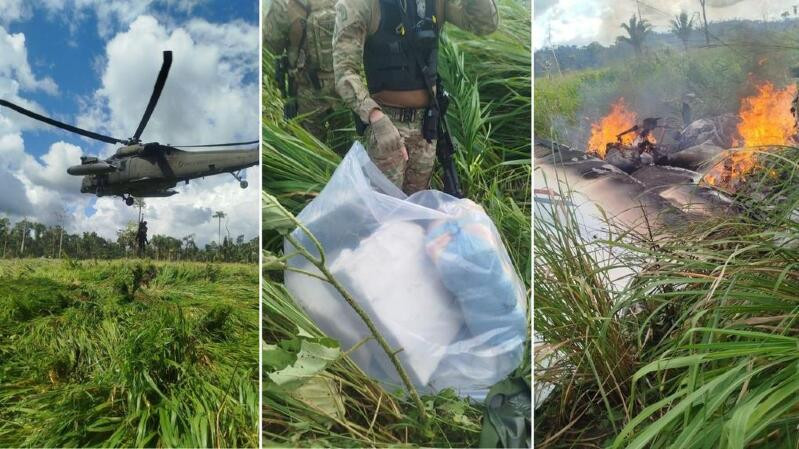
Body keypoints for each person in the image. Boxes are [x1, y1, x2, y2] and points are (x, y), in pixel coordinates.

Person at [333, 0, 498, 194]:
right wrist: (374, 116)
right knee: (386, 212)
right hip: (387, 127)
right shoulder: (362, 4)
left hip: (427, 126)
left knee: (417, 208)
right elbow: (344, 71)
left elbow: (484, 24)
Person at [265, 0, 340, 138]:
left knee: (312, 146)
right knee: (346, 142)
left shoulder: (283, 4)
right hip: (343, 84)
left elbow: (271, 47)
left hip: (307, 89)